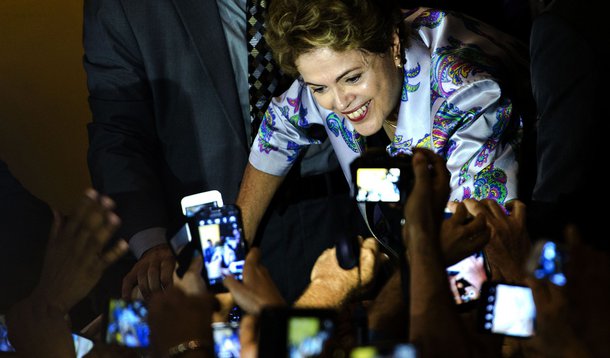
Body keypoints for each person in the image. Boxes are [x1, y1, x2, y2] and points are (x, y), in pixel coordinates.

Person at [82, 0, 359, 305]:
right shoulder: (123, 8)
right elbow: (119, 134)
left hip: (341, 207)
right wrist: (151, 245)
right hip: (215, 232)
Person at [237, 1, 531, 245]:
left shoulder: (468, 96)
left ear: (392, 45)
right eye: (319, 89)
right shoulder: (329, 73)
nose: (340, 103)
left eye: (353, 79)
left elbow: (482, 241)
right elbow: (279, 126)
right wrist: (234, 253)